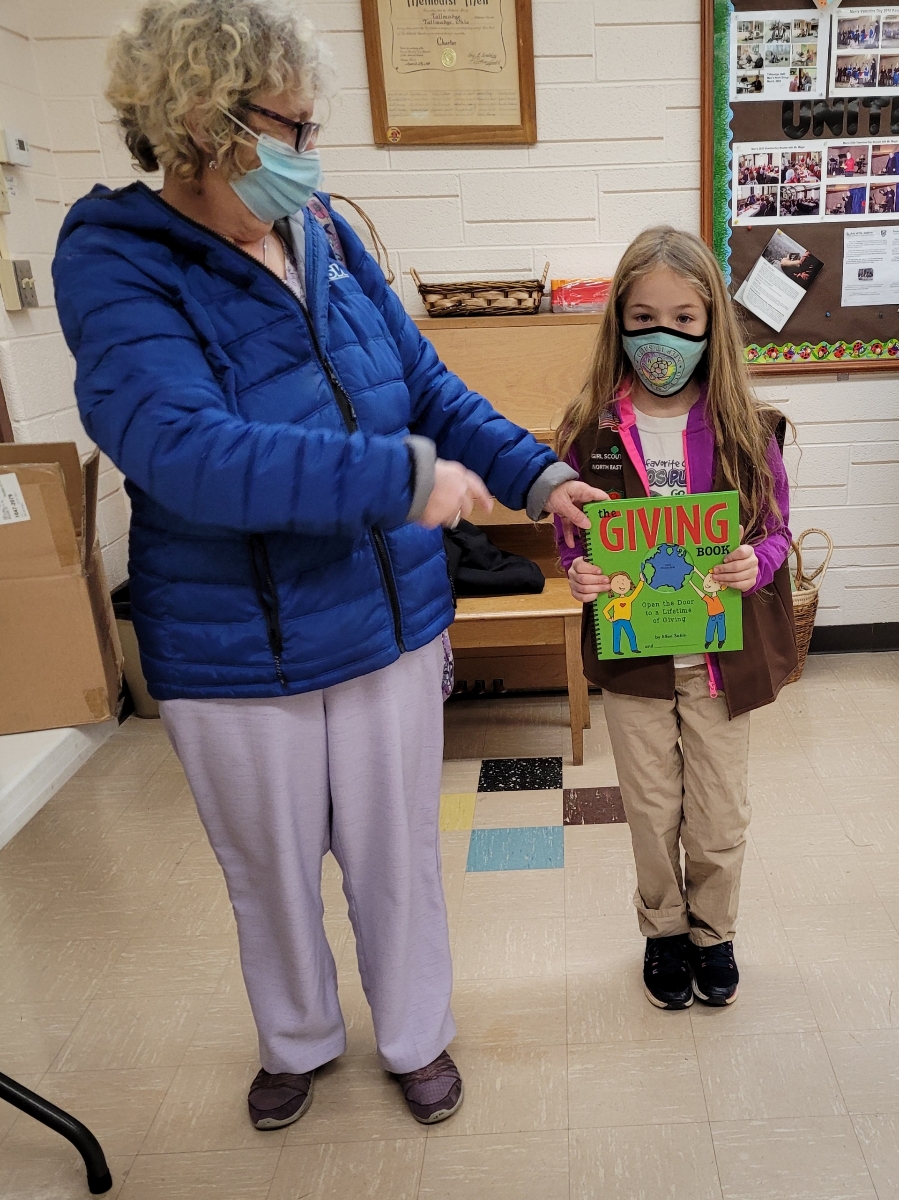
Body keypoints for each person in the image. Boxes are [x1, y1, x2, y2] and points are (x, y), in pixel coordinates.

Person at [52, 0, 604, 1131]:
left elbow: (429, 390)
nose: (312, 154)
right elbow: (183, 451)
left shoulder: (331, 240)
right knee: (269, 873)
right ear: (205, 123)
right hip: (230, 646)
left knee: (396, 856)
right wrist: (396, 480)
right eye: (293, 127)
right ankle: (295, 1038)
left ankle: (413, 1037)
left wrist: (542, 478)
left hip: (385, 619)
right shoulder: (113, 261)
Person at [553, 227, 796, 1010]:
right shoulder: (588, 427)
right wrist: (581, 573)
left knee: (718, 814)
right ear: (617, 321)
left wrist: (752, 563)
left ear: (710, 325)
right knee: (650, 809)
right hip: (634, 662)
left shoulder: (743, 428)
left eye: (684, 320)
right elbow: (572, 538)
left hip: (719, 657)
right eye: (643, 316)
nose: (662, 336)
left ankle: (712, 933)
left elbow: (776, 532)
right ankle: (662, 931)